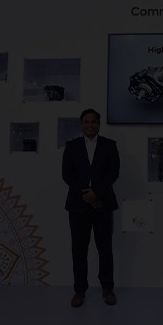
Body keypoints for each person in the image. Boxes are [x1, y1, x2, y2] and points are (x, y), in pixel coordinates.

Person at [62, 108, 120, 307]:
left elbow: (113, 173)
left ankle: (107, 288)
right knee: (78, 250)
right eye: (86, 122)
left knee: (105, 249)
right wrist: (87, 194)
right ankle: (79, 290)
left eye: (93, 121)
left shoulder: (110, 145)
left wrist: (96, 193)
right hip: (77, 206)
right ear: (82, 124)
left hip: (103, 205)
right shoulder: (71, 146)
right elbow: (67, 174)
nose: (90, 125)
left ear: (99, 124)